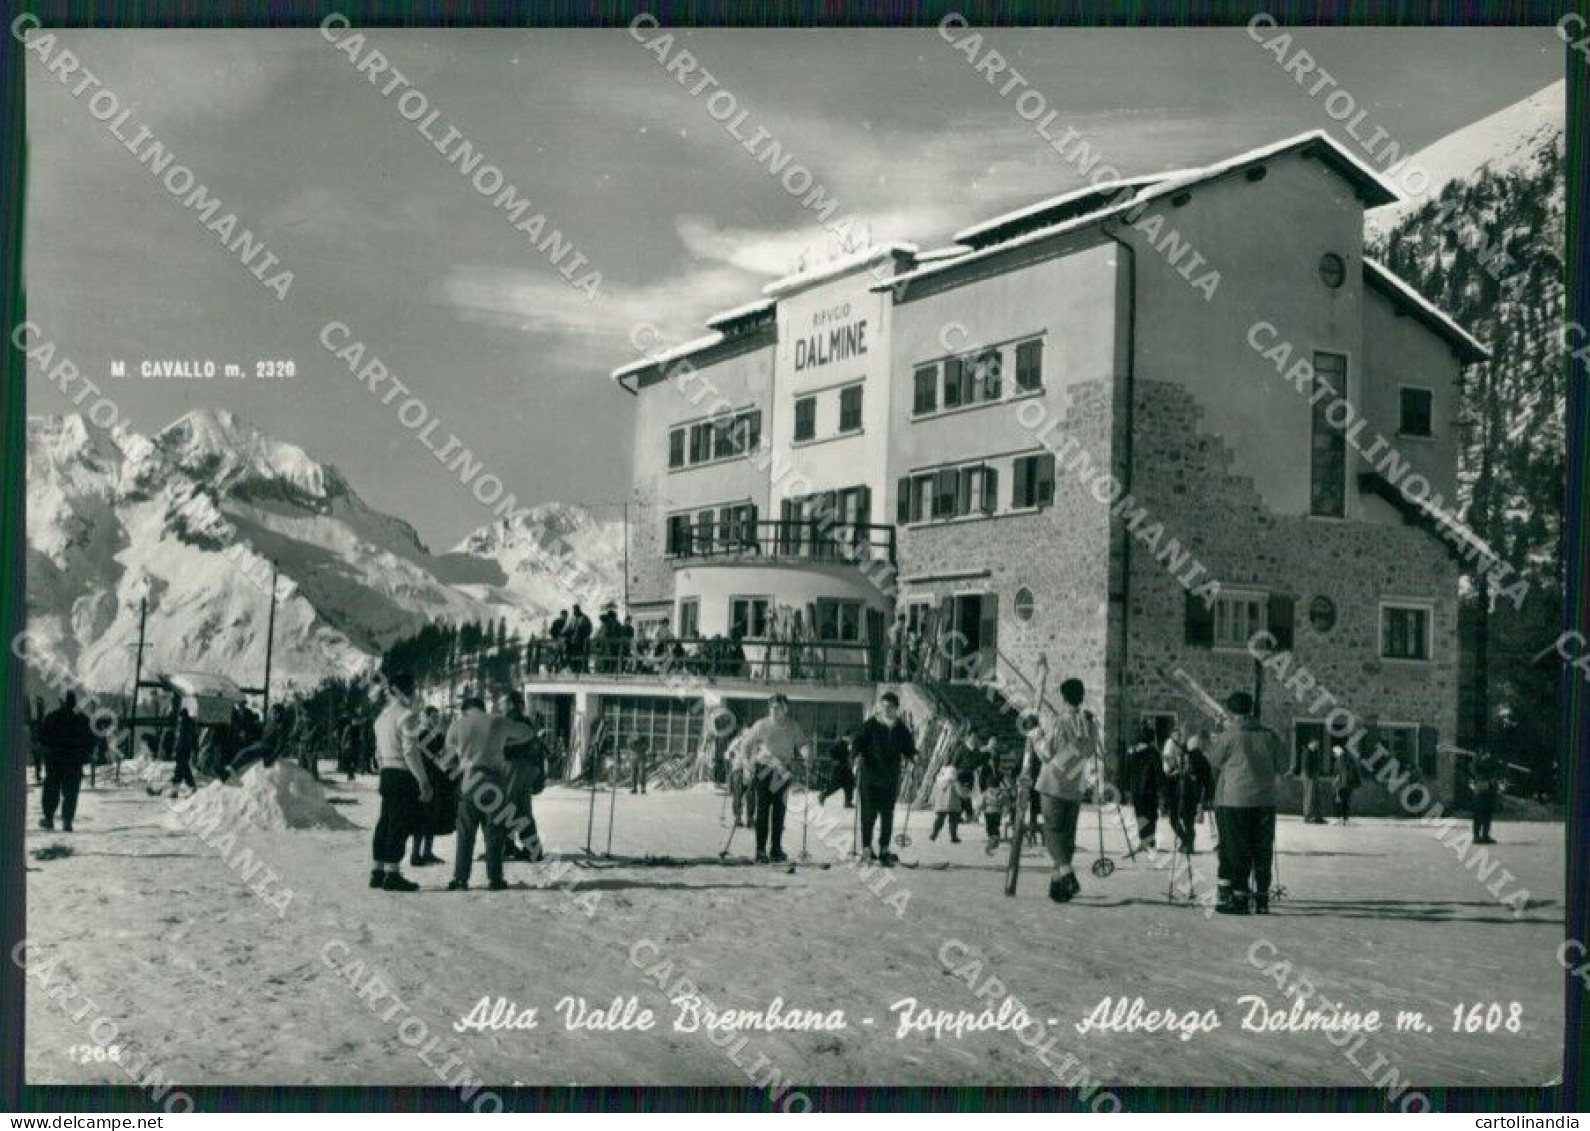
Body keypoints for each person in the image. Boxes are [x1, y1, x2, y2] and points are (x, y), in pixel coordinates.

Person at [1207, 691, 1288, 915]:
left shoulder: (1229, 735)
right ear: (1251, 708)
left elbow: (1212, 760)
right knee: (1262, 848)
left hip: (1234, 800)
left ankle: (1239, 896)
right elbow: (1284, 765)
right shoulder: (1269, 735)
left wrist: (1216, 737)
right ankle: (1262, 897)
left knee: (1236, 847)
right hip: (1264, 800)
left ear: (1231, 711)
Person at [445, 696, 535, 891]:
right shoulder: (497, 721)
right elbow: (528, 733)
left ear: (465, 710)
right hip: (494, 779)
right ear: (482, 708)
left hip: (469, 780)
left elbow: (446, 759)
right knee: (495, 832)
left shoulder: (457, 725)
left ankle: (461, 878)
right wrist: (505, 741)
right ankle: (495, 879)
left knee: (466, 832)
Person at [1024, 678, 1101, 903]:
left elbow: (1047, 753)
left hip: (1053, 782)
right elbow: (1088, 750)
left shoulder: (1061, 722)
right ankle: (1057, 885)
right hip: (1075, 782)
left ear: (1064, 698)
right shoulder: (1089, 722)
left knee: (1053, 831)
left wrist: (1035, 734)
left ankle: (1066, 873)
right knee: (1067, 834)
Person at [370, 674, 432, 893]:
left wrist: (382, 769)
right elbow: (410, 751)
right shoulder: (407, 716)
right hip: (402, 775)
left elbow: (377, 753)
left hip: (386, 772)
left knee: (384, 822)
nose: (415, 694)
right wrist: (423, 780)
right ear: (406, 691)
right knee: (399, 824)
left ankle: (377, 871)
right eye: (413, 689)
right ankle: (393, 874)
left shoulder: (381, 717)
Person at [741, 694, 812, 863]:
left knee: (779, 812)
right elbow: (746, 744)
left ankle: (776, 849)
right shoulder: (761, 725)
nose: (774, 711)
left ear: (785, 709)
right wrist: (746, 762)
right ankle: (760, 850)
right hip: (764, 770)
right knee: (763, 811)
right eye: (772, 707)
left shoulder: (792, 726)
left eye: (778, 708)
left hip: (782, 771)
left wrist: (806, 754)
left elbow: (801, 743)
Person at [851, 690, 917, 865]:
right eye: (883, 706)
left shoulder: (901, 728)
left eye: (890, 707)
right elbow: (857, 743)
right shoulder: (870, 725)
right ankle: (866, 849)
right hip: (869, 777)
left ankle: (885, 850)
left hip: (889, 778)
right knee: (868, 815)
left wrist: (912, 757)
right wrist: (857, 756)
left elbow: (909, 747)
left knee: (887, 816)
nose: (886, 710)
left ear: (896, 709)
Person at [39, 692, 96, 832]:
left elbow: (42, 738)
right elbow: (91, 741)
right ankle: (67, 821)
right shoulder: (83, 719)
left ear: (61, 702)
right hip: (73, 761)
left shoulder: (52, 717)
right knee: (71, 792)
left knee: (51, 790)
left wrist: (47, 752)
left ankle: (48, 818)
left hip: (55, 761)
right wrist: (85, 756)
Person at [500, 693, 546, 862]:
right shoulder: (526, 721)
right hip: (526, 769)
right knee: (523, 810)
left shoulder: (510, 721)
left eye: (503, 703)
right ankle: (532, 849)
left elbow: (504, 743)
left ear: (511, 704)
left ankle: (504, 847)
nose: (501, 706)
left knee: (506, 806)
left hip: (513, 766)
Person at [411, 706, 455, 868]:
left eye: (437, 716)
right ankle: (416, 853)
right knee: (422, 815)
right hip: (428, 778)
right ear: (426, 717)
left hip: (435, 778)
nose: (436, 720)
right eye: (433, 716)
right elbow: (437, 756)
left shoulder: (432, 733)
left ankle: (426, 852)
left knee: (431, 816)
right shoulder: (423, 734)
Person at [1162, 727, 1214, 853]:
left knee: (1187, 820)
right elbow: (1168, 771)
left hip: (1190, 792)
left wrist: (1208, 794)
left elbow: (1207, 777)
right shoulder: (1177, 752)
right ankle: (1186, 840)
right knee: (1175, 819)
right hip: (1176, 790)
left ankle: (1189, 844)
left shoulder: (1198, 757)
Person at [1131, 722, 1164, 848]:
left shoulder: (1133, 752)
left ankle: (1143, 839)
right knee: (1151, 815)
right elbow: (1158, 772)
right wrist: (1161, 786)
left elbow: (1127, 771)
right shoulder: (1154, 753)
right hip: (1150, 789)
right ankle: (1150, 840)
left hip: (1136, 789)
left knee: (1140, 814)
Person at [951, 729, 987, 823]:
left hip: (970, 776)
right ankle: (965, 816)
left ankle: (966, 816)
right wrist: (954, 776)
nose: (974, 740)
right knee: (962, 797)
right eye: (972, 737)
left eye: (976, 738)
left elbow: (980, 761)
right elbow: (954, 763)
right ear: (968, 737)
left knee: (967, 796)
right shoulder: (961, 749)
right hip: (960, 775)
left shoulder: (976, 750)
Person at [1469, 751, 1502, 845]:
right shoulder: (1476, 760)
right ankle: (1476, 836)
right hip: (1480, 787)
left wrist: (1495, 762)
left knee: (1488, 812)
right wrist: (1482, 760)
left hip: (1490, 787)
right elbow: (1475, 769)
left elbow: (1497, 769)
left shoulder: (1492, 760)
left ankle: (1485, 835)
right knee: (1478, 812)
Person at [817, 734, 855, 808]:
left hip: (847, 768)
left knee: (849, 785)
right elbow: (831, 750)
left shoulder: (850, 745)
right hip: (839, 769)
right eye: (849, 737)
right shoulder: (841, 743)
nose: (851, 738)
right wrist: (834, 759)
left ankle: (848, 802)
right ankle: (823, 795)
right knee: (834, 786)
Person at [929, 764, 963, 843]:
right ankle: (953, 836)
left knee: (939, 819)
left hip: (940, 804)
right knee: (953, 821)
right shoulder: (955, 783)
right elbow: (960, 793)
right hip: (953, 805)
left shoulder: (938, 782)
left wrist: (932, 800)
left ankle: (934, 834)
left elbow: (934, 792)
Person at [170, 708, 199, 797]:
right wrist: (195, 751)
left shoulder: (184, 727)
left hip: (182, 751)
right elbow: (194, 741)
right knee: (184, 770)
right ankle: (190, 787)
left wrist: (176, 751)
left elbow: (181, 741)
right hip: (186, 751)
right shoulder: (191, 727)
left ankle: (175, 791)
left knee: (180, 771)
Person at [1300, 739, 1329, 824]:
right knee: (1309, 796)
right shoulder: (1307, 752)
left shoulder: (1315, 752)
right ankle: (1307, 816)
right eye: (1316, 745)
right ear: (1311, 743)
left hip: (1314, 776)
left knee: (1317, 796)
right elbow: (1306, 766)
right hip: (1309, 776)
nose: (1317, 746)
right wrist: (1311, 776)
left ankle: (1318, 816)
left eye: (1318, 745)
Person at [1332, 743, 1361, 825]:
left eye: (1334, 753)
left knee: (1338, 801)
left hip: (1342, 784)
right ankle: (1345, 819)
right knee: (1346, 801)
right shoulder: (1348, 758)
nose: (1334, 755)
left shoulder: (1340, 760)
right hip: (1348, 784)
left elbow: (1339, 772)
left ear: (1337, 753)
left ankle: (1338, 818)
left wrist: (1337, 781)